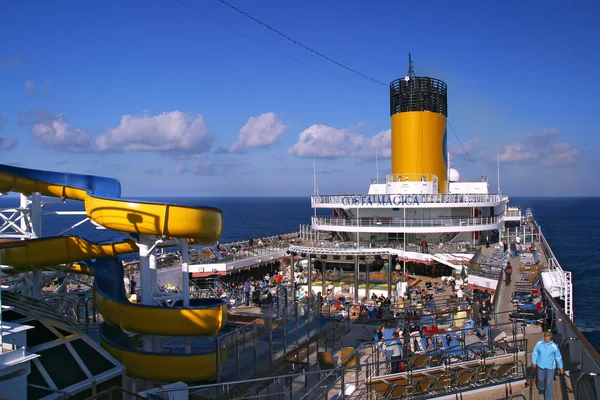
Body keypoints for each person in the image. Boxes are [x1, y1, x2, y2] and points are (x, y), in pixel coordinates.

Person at [532, 331, 563, 399]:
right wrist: (534, 362)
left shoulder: (554, 346)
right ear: (544, 337)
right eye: (546, 339)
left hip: (550, 367)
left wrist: (561, 367)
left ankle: (548, 397)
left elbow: (558, 357)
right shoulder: (539, 344)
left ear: (551, 339)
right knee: (540, 379)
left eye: (548, 339)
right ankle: (541, 388)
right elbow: (535, 353)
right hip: (540, 365)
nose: (547, 340)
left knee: (549, 382)